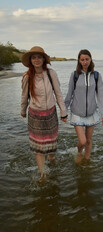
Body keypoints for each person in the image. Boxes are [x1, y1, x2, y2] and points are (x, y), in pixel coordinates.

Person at [21, 46, 67, 182]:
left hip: (51, 114)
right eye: (33, 57)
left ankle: (52, 159)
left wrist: (63, 112)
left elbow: (58, 94)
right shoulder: (27, 76)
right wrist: (22, 110)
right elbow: (24, 96)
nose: (36, 60)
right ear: (30, 60)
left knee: (51, 144)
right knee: (39, 148)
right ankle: (43, 175)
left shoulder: (51, 74)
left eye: (39, 57)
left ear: (43, 59)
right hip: (35, 115)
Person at [65, 49, 103, 164]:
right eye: (82, 59)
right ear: (79, 61)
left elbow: (101, 96)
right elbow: (69, 94)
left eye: (87, 59)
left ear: (90, 59)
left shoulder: (97, 75)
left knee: (88, 141)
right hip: (77, 112)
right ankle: (79, 153)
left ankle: (87, 160)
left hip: (91, 113)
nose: (85, 62)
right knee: (82, 141)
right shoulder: (74, 75)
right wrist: (64, 111)